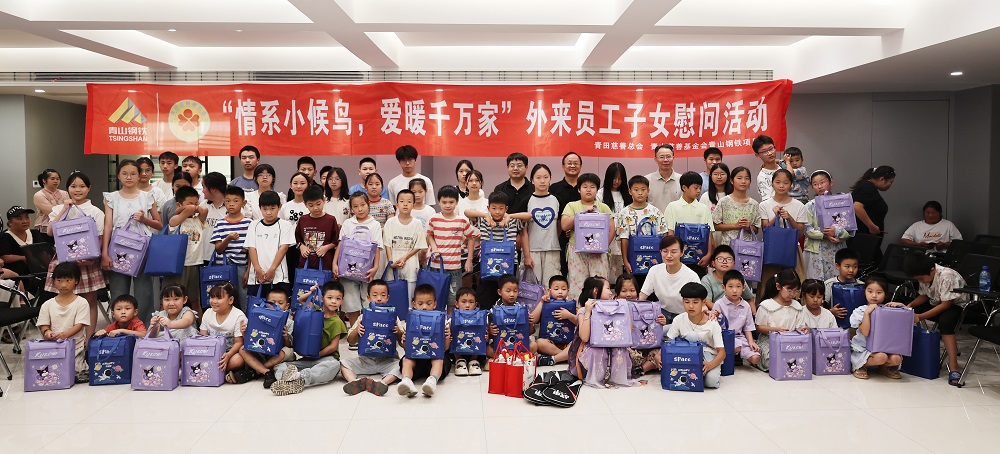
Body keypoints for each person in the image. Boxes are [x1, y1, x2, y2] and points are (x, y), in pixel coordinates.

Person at [44, 171, 106, 337]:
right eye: (73, 186)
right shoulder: (58, 209)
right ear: (67, 188)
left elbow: (100, 238)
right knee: (64, 301)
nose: (77, 190)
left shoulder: (96, 211)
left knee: (90, 301)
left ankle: (89, 340)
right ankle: (65, 337)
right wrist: (64, 209)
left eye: (82, 186)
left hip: (87, 263)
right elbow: (50, 231)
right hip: (63, 262)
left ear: (89, 188)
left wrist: (93, 260)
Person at [101, 160, 162, 326]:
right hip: (118, 248)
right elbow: (108, 226)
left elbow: (159, 224)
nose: (129, 177)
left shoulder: (147, 196)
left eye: (133, 173)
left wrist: (144, 219)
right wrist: (105, 253)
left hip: (143, 249)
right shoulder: (111, 198)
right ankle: (119, 327)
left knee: (144, 291)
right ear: (118, 176)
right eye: (125, 174)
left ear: (139, 176)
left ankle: (144, 327)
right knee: (118, 290)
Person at [271, 281, 349, 395]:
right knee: (280, 365)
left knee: (335, 365)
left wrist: (317, 355)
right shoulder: (316, 310)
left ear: (342, 301)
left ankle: (299, 378)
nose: (333, 301)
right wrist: (311, 292)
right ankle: (287, 380)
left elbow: (333, 347)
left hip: (326, 358)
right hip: (308, 359)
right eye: (330, 297)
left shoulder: (337, 322)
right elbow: (301, 300)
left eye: (338, 299)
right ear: (322, 298)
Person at [904, 253, 968, 385]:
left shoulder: (947, 275)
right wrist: (909, 306)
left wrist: (920, 317)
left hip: (956, 305)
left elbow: (946, 305)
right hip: (936, 301)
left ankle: (954, 367)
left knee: (945, 323)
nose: (921, 281)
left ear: (932, 270)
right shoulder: (924, 275)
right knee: (903, 309)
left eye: (921, 278)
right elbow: (924, 295)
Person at [341, 279, 403, 396]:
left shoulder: (393, 317)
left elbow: (403, 343)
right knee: (344, 363)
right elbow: (350, 340)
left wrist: (398, 332)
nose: (379, 298)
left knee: (403, 365)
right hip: (366, 360)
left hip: (388, 360)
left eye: (383, 295)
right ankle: (353, 382)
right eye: (375, 295)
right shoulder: (363, 317)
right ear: (368, 297)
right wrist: (356, 330)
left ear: (388, 298)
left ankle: (382, 383)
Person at [465, 192, 527, 309]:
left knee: (507, 295)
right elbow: (467, 212)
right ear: (488, 208)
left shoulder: (513, 222)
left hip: (509, 265)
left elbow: (529, 215)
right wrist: (485, 215)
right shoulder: (483, 221)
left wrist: (509, 216)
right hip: (487, 266)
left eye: (501, 208)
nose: (497, 212)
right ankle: (488, 319)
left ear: (506, 209)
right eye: (494, 208)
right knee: (486, 297)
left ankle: (506, 317)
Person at [333, 192, 384, 336]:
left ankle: (369, 333)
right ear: (351, 209)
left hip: (368, 271)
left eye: (362, 205)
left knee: (369, 302)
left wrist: (375, 267)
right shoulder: (348, 223)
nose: (360, 209)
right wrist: (334, 264)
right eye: (355, 206)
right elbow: (341, 244)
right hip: (347, 271)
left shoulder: (375, 225)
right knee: (351, 303)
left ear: (368, 204)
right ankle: (354, 334)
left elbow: (378, 248)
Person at [573, 276, 635, 388]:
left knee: (621, 351)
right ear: (596, 291)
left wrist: (626, 309)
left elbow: (629, 331)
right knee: (597, 351)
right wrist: (588, 312)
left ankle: (615, 378)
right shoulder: (584, 310)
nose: (611, 292)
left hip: (614, 345)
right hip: (593, 348)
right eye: (608, 288)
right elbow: (585, 338)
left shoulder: (617, 307)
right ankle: (597, 377)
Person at [561, 173, 615, 298]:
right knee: (577, 284)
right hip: (577, 251)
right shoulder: (572, 206)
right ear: (579, 189)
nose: (588, 190)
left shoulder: (603, 207)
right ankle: (578, 308)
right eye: (585, 187)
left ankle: (600, 309)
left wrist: (602, 247)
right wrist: (581, 214)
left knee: (599, 284)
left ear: (597, 190)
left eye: (592, 187)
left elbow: (612, 229)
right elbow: (564, 226)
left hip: (599, 253)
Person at [663, 283, 726, 388]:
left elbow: (722, 352)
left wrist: (710, 365)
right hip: (686, 354)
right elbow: (669, 343)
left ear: (704, 302)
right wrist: (659, 356)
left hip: (708, 354)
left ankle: (713, 370)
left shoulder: (712, 323)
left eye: (695, 302)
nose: (691, 306)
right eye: (687, 302)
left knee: (711, 382)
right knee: (691, 336)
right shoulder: (679, 319)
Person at [37, 261, 90, 383]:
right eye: (59, 280)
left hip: (75, 346)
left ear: (76, 281)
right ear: (53, 281)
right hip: (53, 346)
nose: (63, 284)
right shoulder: (47, 304)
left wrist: (65, 335)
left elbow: (79, 325)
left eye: (68, 280)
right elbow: (44, 325)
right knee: (52, 371)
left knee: (76, 371)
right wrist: (47, 332)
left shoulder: (81, 302)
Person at [397, 283, 452, 397]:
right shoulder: (410, 321)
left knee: (439, 359)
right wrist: (404, 340)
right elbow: (407, 349)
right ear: (414, 304)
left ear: (435, 304)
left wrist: (447, 337)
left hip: (433, 360)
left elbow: (445, 348)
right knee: (406, 360)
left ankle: (432, 381)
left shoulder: (442, 320)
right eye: (420, 303)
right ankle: (407, 380)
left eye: (429, 303)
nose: (424, 307)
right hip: (417, 360)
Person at [427, 186, 476, 308]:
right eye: (444, 202)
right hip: (436, 266)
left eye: (451, 202)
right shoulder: (434, 219)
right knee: (435, 299)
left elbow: (471, 238)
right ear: (439, 202)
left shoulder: (462, 220)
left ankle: (451, 321)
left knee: (453, 301)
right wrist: (434, 248)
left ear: (457, 202)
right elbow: (429, 235)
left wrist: (469, 260)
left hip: (454, 268)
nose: (447, 205)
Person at [237, 287, 295, 388]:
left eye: (280, 303)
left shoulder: (289, 322)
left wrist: (286, 337)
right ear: (266, 303)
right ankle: (266, 371)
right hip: (261, 353)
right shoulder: (258, 318)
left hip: (277, 355)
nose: (276, 306)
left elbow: (289, 345)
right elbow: (250, 341)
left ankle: (255, 372)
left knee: (287, 351)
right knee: (242, 349)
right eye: (272, 303)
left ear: (287, 306)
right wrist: (244, 332)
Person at [849, 277, 905, 380]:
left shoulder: (889, 310)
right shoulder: (861, 311)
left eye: (879, 292)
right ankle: (861, 365)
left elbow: (906, 324)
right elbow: (865, 332)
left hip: (886, 348)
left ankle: (883, 367)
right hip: (865, 348)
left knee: (897, 359)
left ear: (885, 294)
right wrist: (867, 313)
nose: (874, 295)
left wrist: (902, 308)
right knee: (881, 357)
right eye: (870, 291)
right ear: (865, 292)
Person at [164, 186, 208, 314]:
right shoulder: (175, 219)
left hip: (195, 263)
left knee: (194, 299)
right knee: (172, 296)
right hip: (178, 266)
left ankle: (199, 324)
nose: (194, 207)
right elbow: (178, 218)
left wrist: (193, 207)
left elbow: (204, 211)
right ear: (179, 204)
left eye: (196, 203)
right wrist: (184, 210)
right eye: (190, 203)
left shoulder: (198, 220)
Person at [754, 270, 808, 372]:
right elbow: (758, 327)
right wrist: (775, 329)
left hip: (791, 341)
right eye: (789, 290)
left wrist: (802, 330)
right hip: (769, 340)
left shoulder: (797, 306)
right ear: (778, 286)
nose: (792, 294)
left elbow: (799, 327)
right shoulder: (766, 305)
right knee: (771, 360)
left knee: (803, 358)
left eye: (796, 291)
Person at [518, 164, 563, 287]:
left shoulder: (557, 200)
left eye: (545, 177)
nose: (542, 181)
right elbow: (523, 231)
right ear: (532, 180)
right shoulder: (526, 201)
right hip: (532, 250)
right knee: (531, 286)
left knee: (551, 285)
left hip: (552, 249)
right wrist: (527, 255)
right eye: (538, 177)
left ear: (550, 179)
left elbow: (559, 226)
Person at [639, 236, 701, 323]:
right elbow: (643, 295)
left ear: (682, 252)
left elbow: (698, 303)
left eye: (674, 252)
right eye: (665, 251)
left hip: (684, 316)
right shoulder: (654, 271)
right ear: (660, 252)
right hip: (661, 314)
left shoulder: (691, 276)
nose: (669, 255)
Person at [803, 170, 853, 281]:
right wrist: (825, 234)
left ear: (831, 182)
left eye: (822, 182)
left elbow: (849, 229)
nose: (819, 186)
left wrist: (836, 231)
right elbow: (807, 230)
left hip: (836, 247)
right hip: (816, 249)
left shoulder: (842, 202)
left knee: (836, 279)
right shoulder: (809, 206)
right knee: (816, 281)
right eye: (815, 184)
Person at [617, 175, 668, 281]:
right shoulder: (624, 213)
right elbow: (624, 239)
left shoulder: (656, 212)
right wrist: (625, 261)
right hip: (633, 257)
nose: (640, 193)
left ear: (648, 191)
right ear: (630, 191)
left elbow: (663, 237)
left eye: (643, 189)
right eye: (636, 190)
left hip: (654, 257)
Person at [246, 191, 296, 297]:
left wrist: (272, 269)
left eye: (272, 208)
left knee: (279, 305)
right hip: (256, 276)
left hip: (279, 276)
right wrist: (258, 269)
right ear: (260, 208)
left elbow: (284, 248)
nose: (268, 212)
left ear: (279, 206)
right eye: (265, 209)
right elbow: (251, 248)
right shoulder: (253, 225)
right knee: (256, 305)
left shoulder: (285, 225)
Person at [616, 274, 665, 377]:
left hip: (647, 347)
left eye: (632, 290)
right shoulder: (614, 308)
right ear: (617, 293)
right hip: (629, 348)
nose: (628, 294)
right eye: (624, 291)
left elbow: (655, 328)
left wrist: (661, 321)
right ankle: (641, 367)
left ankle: (640, 370)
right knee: (622, 353)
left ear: (638, 292)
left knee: (662, 353)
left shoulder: (647, 306)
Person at [664, 171, 715, 270]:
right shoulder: (672, 207)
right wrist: (673, 253)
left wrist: (709, 254)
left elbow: (709, 234)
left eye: (700, 188)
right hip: (678, 258)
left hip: (700, 258)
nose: (699, 191)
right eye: (696, 188)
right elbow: (670, 233)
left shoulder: (704, 208)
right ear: (684, 188)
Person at [384, 189, 427, 303]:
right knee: (392, 298)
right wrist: (391, 262)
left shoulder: (417, 223)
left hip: (410, 266)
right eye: (402, 201)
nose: (405, 204)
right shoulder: (390, 222)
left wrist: (404, 258)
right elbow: (387, 244)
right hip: (393, 265)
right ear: (397, 205)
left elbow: (419, 245)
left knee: (409, 299)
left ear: (414, 205)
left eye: (409, 201)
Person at [200, 282, 248, 380]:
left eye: (219, 298)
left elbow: (239, 342)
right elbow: (202, 338)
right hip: (210, 351)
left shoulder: (238, 316)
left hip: (230, 353)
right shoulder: (207, 313)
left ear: (230, 300)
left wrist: (228, 355)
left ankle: (211, 370)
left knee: (238, 360)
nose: (214, 301)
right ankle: (217, 371)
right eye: (212, 297)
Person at [712, 271, 760, 367]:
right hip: (723, 337)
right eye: (730, 286)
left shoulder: (746, 305)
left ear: (744, 288)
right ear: (723, 287)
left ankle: (735, 355)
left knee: (756, 358)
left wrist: (751, 342)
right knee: (736, 346)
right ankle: (732, 356)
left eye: (738, 286)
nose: (734, 290)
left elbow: (748, 327)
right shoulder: (719, 304)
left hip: (739, 337)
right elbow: (713, 326)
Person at [849, 165, 896, 263]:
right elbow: (857, 207)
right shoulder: (868, 187)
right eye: (891, 182)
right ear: (882, 179)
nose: (891, 185)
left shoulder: (866, 186)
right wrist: (872, 226)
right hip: (864, 239)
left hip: (865, 239)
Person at [529, 274, 573, 365]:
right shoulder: (545, 304)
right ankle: (565, 357)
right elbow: (533, 319)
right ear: (549, 290)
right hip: (550, 344)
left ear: (568, 291)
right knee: (539, 343)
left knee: (578, 343)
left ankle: (556, 358)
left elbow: (579, 322)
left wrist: (569, 315)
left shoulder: (572, 305)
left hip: (567, 344)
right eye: (556, 289)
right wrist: (542, 302)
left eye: (563, 289)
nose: (560, 292)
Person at [551, 152, 583, 276]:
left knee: (580, 273)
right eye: (569, 163)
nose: (572, 166)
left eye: (576, 163)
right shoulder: (554, 188)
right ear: (563, 166)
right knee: (562, 271)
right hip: (560, 237)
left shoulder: (585, 188)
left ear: (580, 166)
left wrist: (575, 229)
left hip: (583, 238)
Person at [712, 166, 760, 247]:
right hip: (728, 248)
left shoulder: (754, 204)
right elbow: (715, 225)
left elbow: (756, 229)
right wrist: (735, 226)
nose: (743, 181)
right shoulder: (724, 201)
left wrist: (748, 227)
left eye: (747, 178)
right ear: (731, 181)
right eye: (739, 178)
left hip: (747, 249)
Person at [295, 185, 339, 273]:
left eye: (318, 204)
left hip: (325, 264)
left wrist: (326, 248)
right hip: (305, 264)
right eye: (311, 205)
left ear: (324, 200)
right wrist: (301, 246)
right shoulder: (303, 219)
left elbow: (336, 241)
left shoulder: (330, 220)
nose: (315, 208)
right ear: (305, 204)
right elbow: (297, 238)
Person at [600, 162, 631, 282]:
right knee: (604, 271)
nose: (616, 181)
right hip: (606, 239)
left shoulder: (627, 194)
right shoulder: (600, 194)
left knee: (620, 273)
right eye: (614, 178)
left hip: (623, 239)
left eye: (620, 178)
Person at [701, 245, 756, 312]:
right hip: (715, 313)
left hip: (737, 313)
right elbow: (708, 302)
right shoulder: (707, 280)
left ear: (734, 264)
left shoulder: (738, 278)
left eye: (729, 259)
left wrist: (754, 314)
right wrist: (726, 311)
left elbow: (749, 299)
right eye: (720, 259)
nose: (724, 262)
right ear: (713, 263)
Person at [451, 287, 484, 375]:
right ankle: (459, 361)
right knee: (451, 332)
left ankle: (474, 361)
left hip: (475, 351)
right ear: (456, 304)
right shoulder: (452, 318)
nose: (467, 305)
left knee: (480, 333)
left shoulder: (480, 317)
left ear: (476, 304)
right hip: (457, 350)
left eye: (471, 302)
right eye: (463, 302)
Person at [824, 248, 860, 326]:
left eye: (855, 266)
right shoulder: (829, 284)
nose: (851, 270)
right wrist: (830, 311)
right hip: (835, 325)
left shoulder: (862, 285)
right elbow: (820, 307)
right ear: (838, 266)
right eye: (847, 266)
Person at [199, 172, 229, 263]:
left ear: (213, 189)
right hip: (203, 256)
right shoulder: (203, 205)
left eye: (204, 187)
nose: (202, 191)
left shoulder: (231, 207)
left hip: (225, 258)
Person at [645, 144, 682, 212]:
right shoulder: (647, 180)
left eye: (668, 156)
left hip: (676, 218)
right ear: (656, 159)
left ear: (673, 158)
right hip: (653, 218)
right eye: (661, 157)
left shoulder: (681, 179)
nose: (665, 160)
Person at [32, 168, 69, 236]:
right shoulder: (39, 195)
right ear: (44, 180)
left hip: (63, 226)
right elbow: (51, 211)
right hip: (45, 228)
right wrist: (64, 209)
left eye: (57, 179)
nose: (56, 181)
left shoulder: (64, 193)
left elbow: (69, 210)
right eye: (52, 179)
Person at [752, 135, 780, 201]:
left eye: (771, 149)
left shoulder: (784, 166)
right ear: (757, 155)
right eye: (764, 151)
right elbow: (769, 202)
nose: (769, 153)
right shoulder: (762, 177)